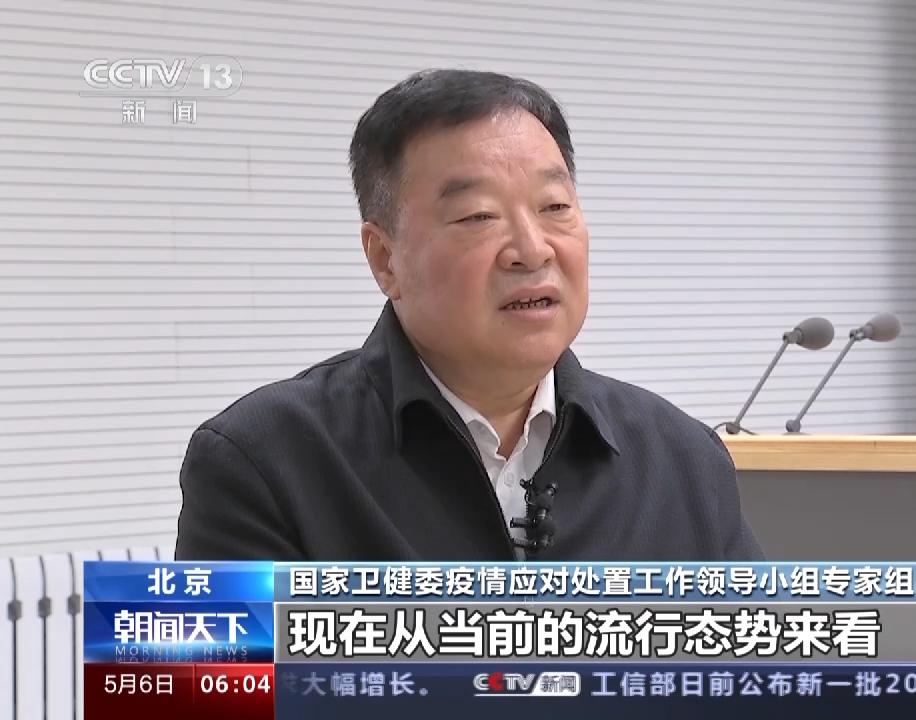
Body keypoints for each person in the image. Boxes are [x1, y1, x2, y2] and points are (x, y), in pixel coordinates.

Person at [174, 69, 763, 561]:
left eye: (555, 206)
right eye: (478, 216)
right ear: (385, 259)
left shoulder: (681, 459)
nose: (532, 249)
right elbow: (217, 670)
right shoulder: (265, 462)